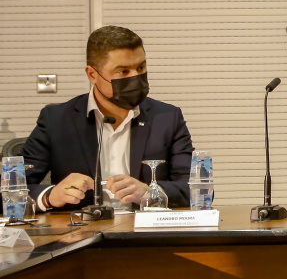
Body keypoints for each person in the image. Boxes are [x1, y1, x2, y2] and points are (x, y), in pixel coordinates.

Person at [21, 26, 193, 211]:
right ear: (93, 75)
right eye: (123, 71)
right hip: (82, 234)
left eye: (140, 67)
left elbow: (195, 189)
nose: (136, 77)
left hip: (145, 234)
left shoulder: (167, 117)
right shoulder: (57, 120)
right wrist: (49, 196)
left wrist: (150, 192)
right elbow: (7, 190)